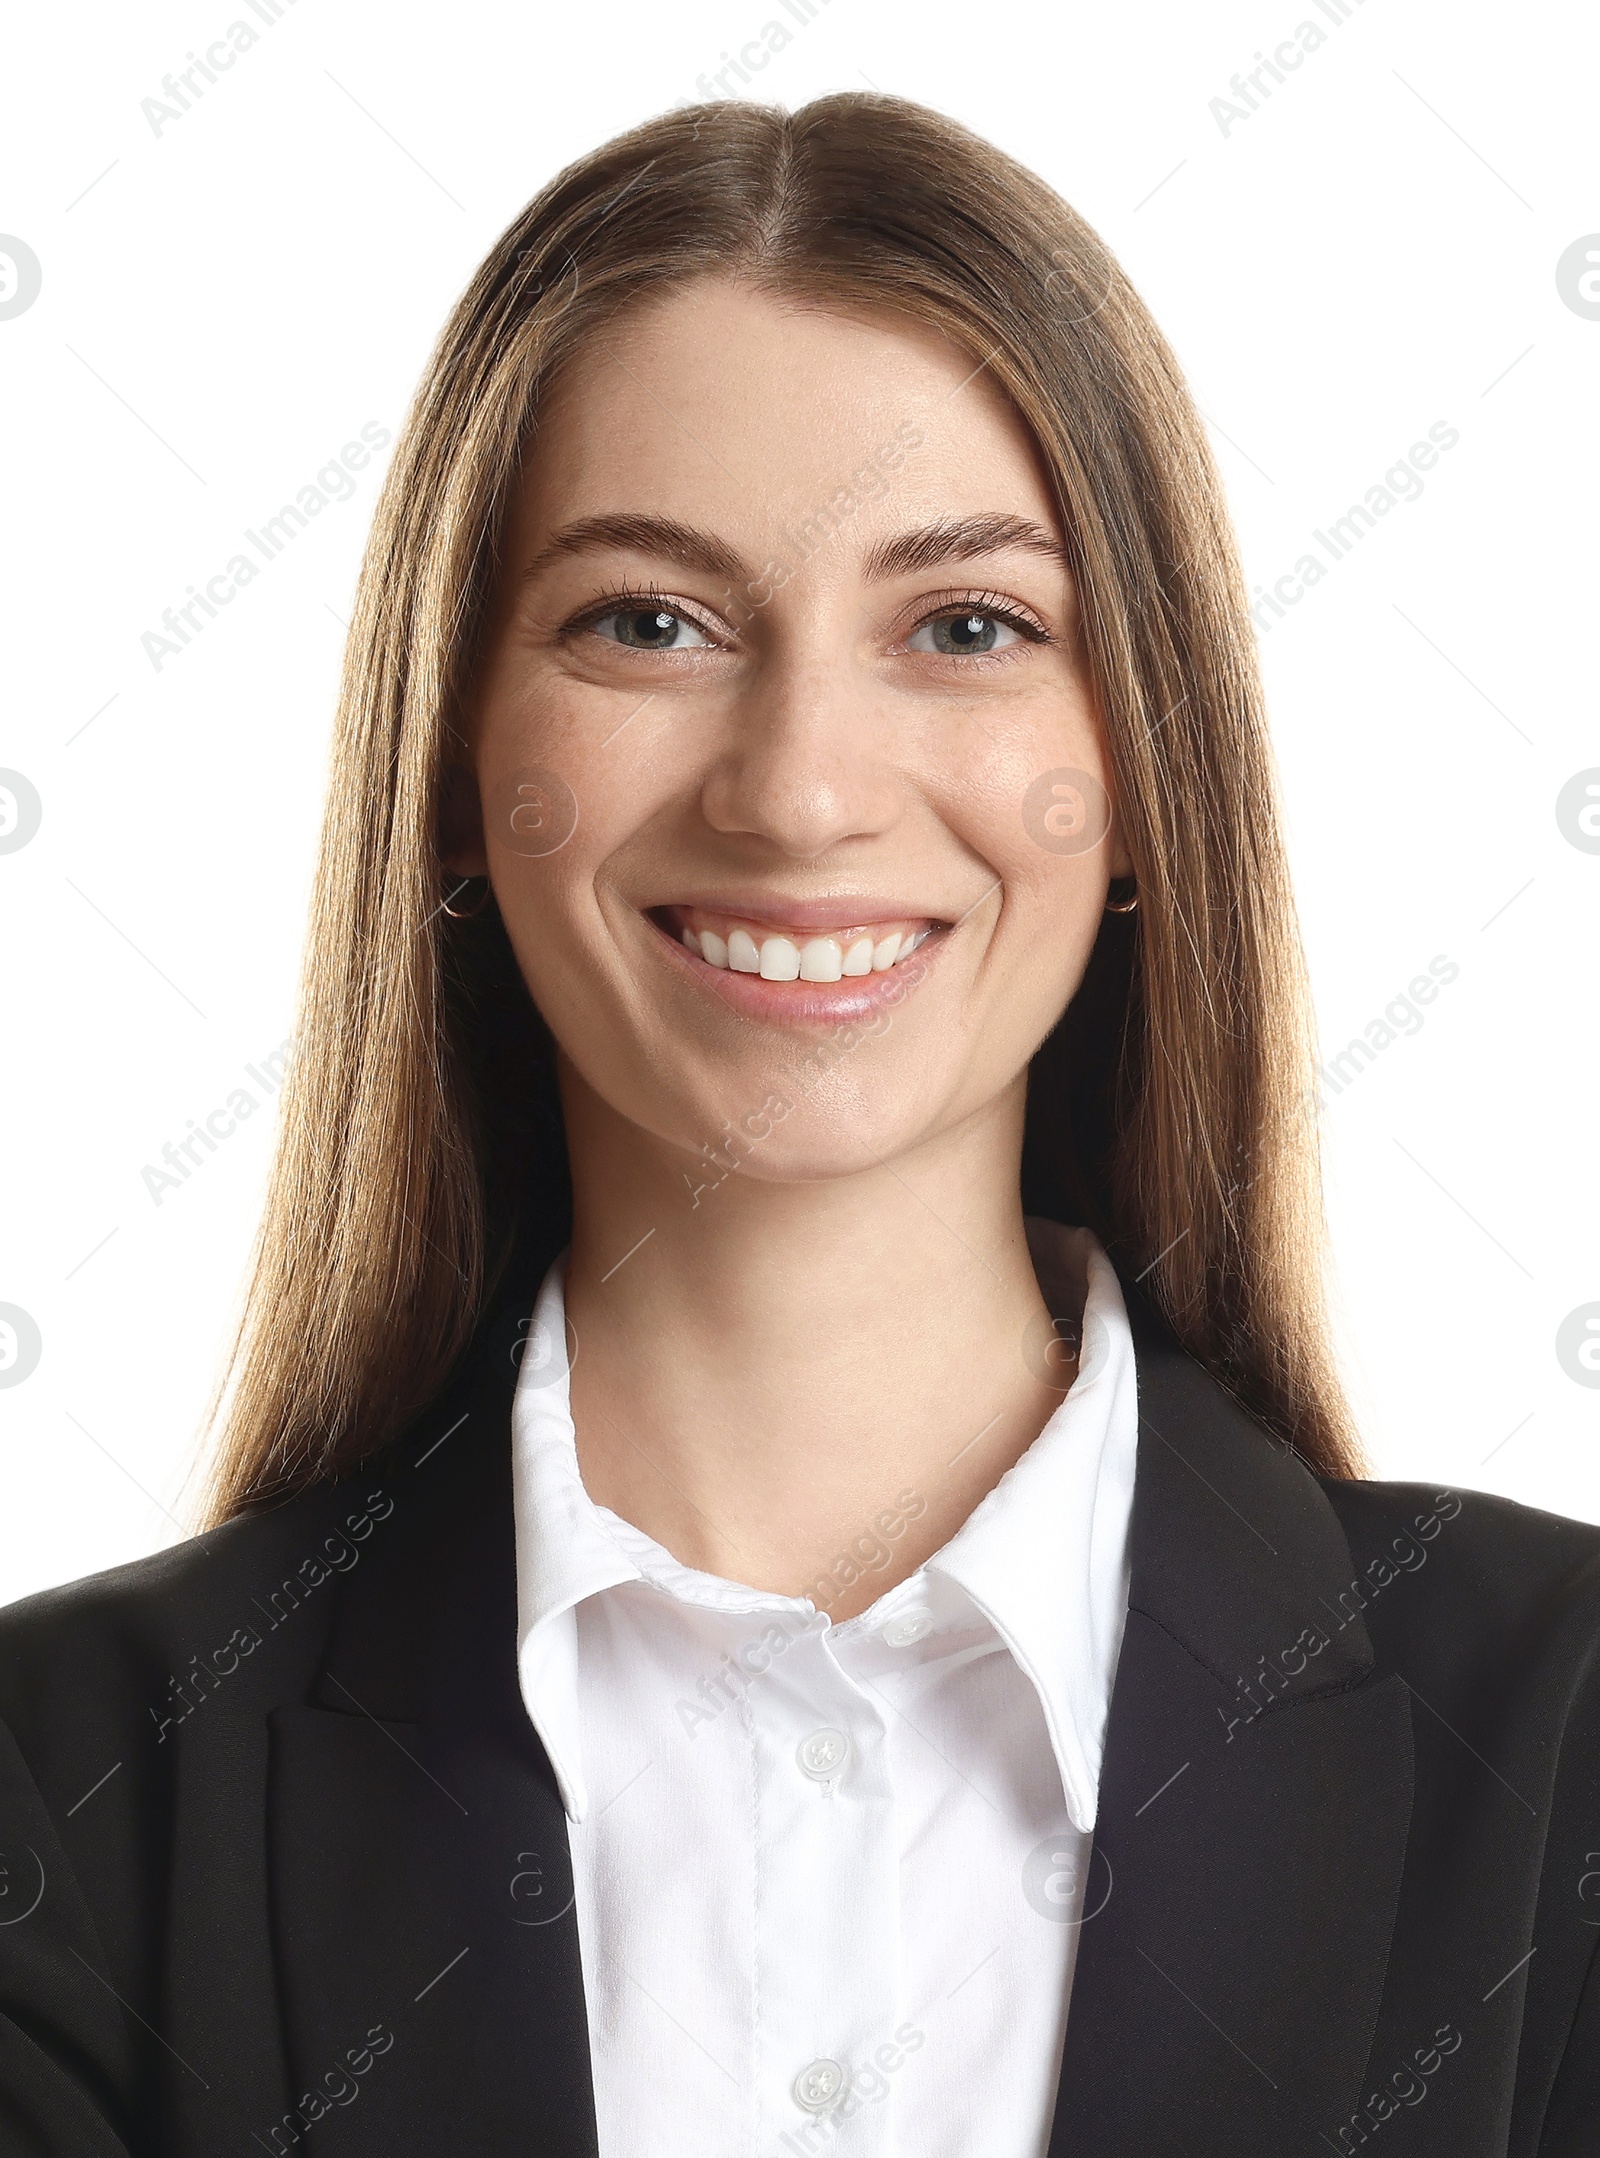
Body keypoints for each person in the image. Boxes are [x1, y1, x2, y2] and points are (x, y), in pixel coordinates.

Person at [1, 93, 1596, 2158]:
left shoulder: (1560, 1751)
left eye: (963, 626)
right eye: (644, 620)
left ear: (1134, 773)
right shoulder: (66, 1794)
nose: (797, 786)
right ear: (458, 763)